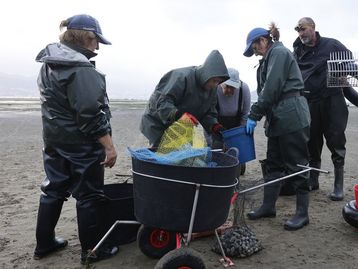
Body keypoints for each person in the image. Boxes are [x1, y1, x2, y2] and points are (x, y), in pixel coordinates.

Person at [34, 14, 119, 264]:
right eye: (96, 40)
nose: (98, 47)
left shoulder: (49, 64)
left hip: (54, 140)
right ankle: (92, 251)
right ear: (86, 37)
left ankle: (44, 244)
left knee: (53, 189)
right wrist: (109, 147)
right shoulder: (81, 70)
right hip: (81, 144)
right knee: (89, 195)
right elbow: (91, 115)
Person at [243, 23, 311, 231]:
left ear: (263, 40)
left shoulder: (279, 53)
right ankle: (268, 206)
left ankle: (302, 213)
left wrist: (254, 114)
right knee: (273, 163)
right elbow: (264, 90)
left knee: (297, 164)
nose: (255, 53)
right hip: (278, 118)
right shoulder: (267, 60)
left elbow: (271, 88)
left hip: (291, 115)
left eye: (255, 48)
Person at [292, 17, 350, 201]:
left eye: (303, 29)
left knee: (336, 140)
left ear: (313, 28)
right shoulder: (298, 50)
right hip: (309, 101)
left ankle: (338, 185)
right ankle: (313, 179)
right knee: (312, 142)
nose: (301, 34)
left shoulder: (331, 45)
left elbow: (349, 59)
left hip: (333, 100)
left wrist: (343, 75)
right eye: (298, 30)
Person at [140, 50, 229, 149]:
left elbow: (208, 113)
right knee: (162, 153)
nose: (215, 85)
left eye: (219, 82)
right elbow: (162, 102)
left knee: (182, 154)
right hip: (158, 122)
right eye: (214, 81)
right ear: (207, 74)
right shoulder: (181, 77)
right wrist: (180, 116)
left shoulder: (212, 89)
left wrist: (214, 126)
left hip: (182, 126)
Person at [206, 68, 251, 174]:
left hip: (236, 124)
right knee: (216, 151)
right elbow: (207, 117)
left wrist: (241, 135)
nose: (229, 91)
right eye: (227, 87)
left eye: (233, 88)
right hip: (217, 123)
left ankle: (237, 169)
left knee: (236, 153)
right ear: (221, 83)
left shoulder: (244, 89)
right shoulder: (214, 89)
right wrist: (209, 141)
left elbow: (245, 115)